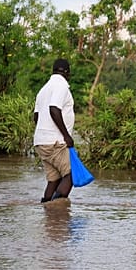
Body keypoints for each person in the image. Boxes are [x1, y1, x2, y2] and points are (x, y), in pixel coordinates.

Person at [33, 58, 75, 203]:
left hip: (41, 142)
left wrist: (44, 134)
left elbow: (36, 116)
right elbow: (54, 109)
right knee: (71, 175)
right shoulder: (61, 86)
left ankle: (46, 208)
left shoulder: (43, 90)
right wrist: (66, 136)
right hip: (55, 143)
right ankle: (56, 208)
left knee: (54, 180)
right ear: (67, 72)